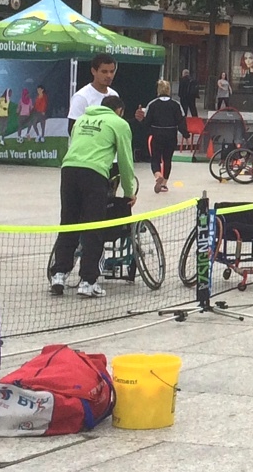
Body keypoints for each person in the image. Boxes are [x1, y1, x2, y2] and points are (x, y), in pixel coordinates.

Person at [49, 93, 138, 298]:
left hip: (68, 170)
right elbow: (125, 160)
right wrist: (129, 192)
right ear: (119, 111)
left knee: (69, 223)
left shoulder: (81, 120)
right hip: (94, 173)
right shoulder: (119, 123)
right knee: (94, 227)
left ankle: (59, 275)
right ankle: (88, 282)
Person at [140, 80, 185, 194]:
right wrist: (186, 134)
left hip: (156, 134)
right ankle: (164, 183)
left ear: (158, 90)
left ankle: (157, 175)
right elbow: (181, 121)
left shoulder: (152, 104)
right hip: (171, 134)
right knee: (167, 159)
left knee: (155, 158)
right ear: (169, 90)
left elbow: (147, 122)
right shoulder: (176, 104)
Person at [69, 55, 118, 124]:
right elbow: (73, 126)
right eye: (104, 72)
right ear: (93, 71)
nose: (109, 75)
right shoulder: (81, 97)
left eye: (112, 72)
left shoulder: (114, 95)